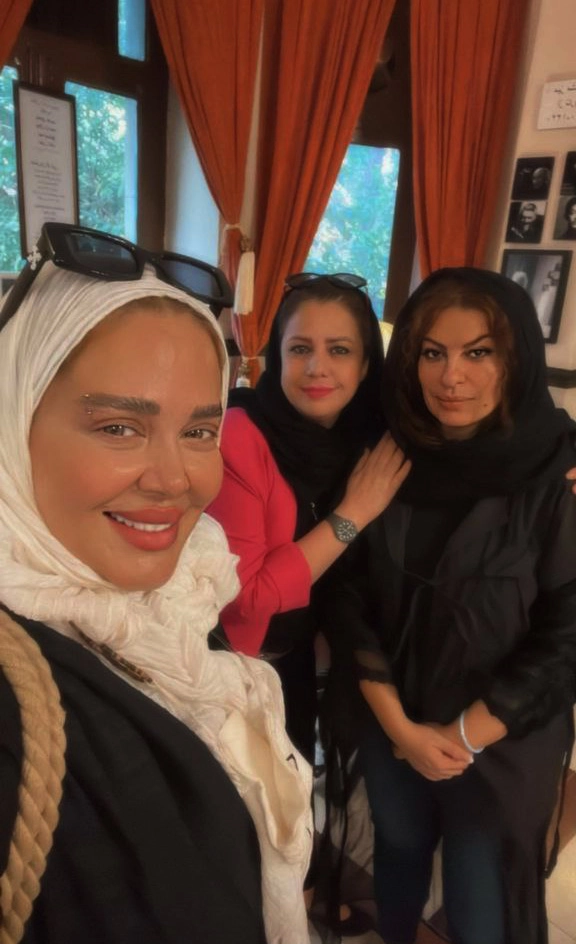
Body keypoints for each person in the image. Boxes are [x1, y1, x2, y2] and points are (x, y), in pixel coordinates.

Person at [0, 224, 312, 944]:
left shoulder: (176, 598)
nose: (175, 481)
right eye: (118, 428)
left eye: (200, 432)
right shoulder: (17, 715)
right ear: (12, 425)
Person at [322, 266, 576, 944]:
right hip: (393, 717)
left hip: (501, 739)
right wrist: (401, 728)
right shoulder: (389, 455)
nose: (451, 377)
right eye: (432, 352)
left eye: (478, 352)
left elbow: (567, 633)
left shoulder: (555, 471)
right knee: (399, 853)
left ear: (516, 359)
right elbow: (348, 595)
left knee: (479, 894)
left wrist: (462, 737)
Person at [208, 274, 409, 763]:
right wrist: (352, 514)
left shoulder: (366, 436)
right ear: (278, 357)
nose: (317, 368)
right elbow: (245, 598)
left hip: (303, 662)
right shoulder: (240, 435)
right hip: (234, 669)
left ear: (365, 365)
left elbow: (465, 443)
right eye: (300, 349)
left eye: (339, 350)